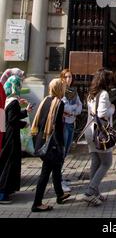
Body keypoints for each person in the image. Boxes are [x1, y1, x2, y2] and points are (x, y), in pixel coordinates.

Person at [31, 78, 69, 212]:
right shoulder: (59, 103)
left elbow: (40, 121)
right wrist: (62, 145)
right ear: (59, 88)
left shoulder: (45, 100)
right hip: (52, 144)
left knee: (57, 169)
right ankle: (37, 203)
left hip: (42, 140)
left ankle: (60, 195)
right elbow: (58, 127)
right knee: (45, 173)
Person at [84, 69, 115, 206]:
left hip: (90, 131)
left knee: (96, 161)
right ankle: (90, 192)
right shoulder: (103, 94)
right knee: (107, 162)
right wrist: (112, 109)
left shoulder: (91, 94)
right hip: (100, 133)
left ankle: (94, 192)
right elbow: (102, 113)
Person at [0, 75, 33, 204]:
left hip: (7, 134)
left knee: (7, 162)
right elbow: (12, 120)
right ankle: (3, 193)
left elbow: (11, 116)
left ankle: (7, 190)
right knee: (9, 163)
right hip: (11, 137)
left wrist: (25, 111)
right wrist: (23, 124)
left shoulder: (9, 100)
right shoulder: (13, 101)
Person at [60, 69, 82, 192]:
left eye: (71, 77)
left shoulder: (73, 91)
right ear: (62, 78)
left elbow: (79, 107)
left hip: (71, 123)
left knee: (66, 151)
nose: (69, 79)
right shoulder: (60, 90)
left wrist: (72, 110)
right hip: (63, 124)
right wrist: (72, 109)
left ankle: (60, 176)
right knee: (61, 151)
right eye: (67, 77)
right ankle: (58, 179)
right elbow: (64, 107)